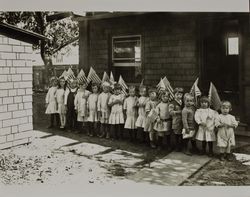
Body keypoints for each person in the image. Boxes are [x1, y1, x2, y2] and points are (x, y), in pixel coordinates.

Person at [169, 87, 184, 151]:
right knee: (176, 134)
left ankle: (181, 146)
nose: (179, 96)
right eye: (177, 94)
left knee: (181, 134)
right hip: (176, 120)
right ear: (174, 95)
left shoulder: (183, 102)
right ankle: (176, 146)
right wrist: (179, 112)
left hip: (182, 121)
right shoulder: (172, 103)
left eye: (180, 94)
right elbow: (170, 112)